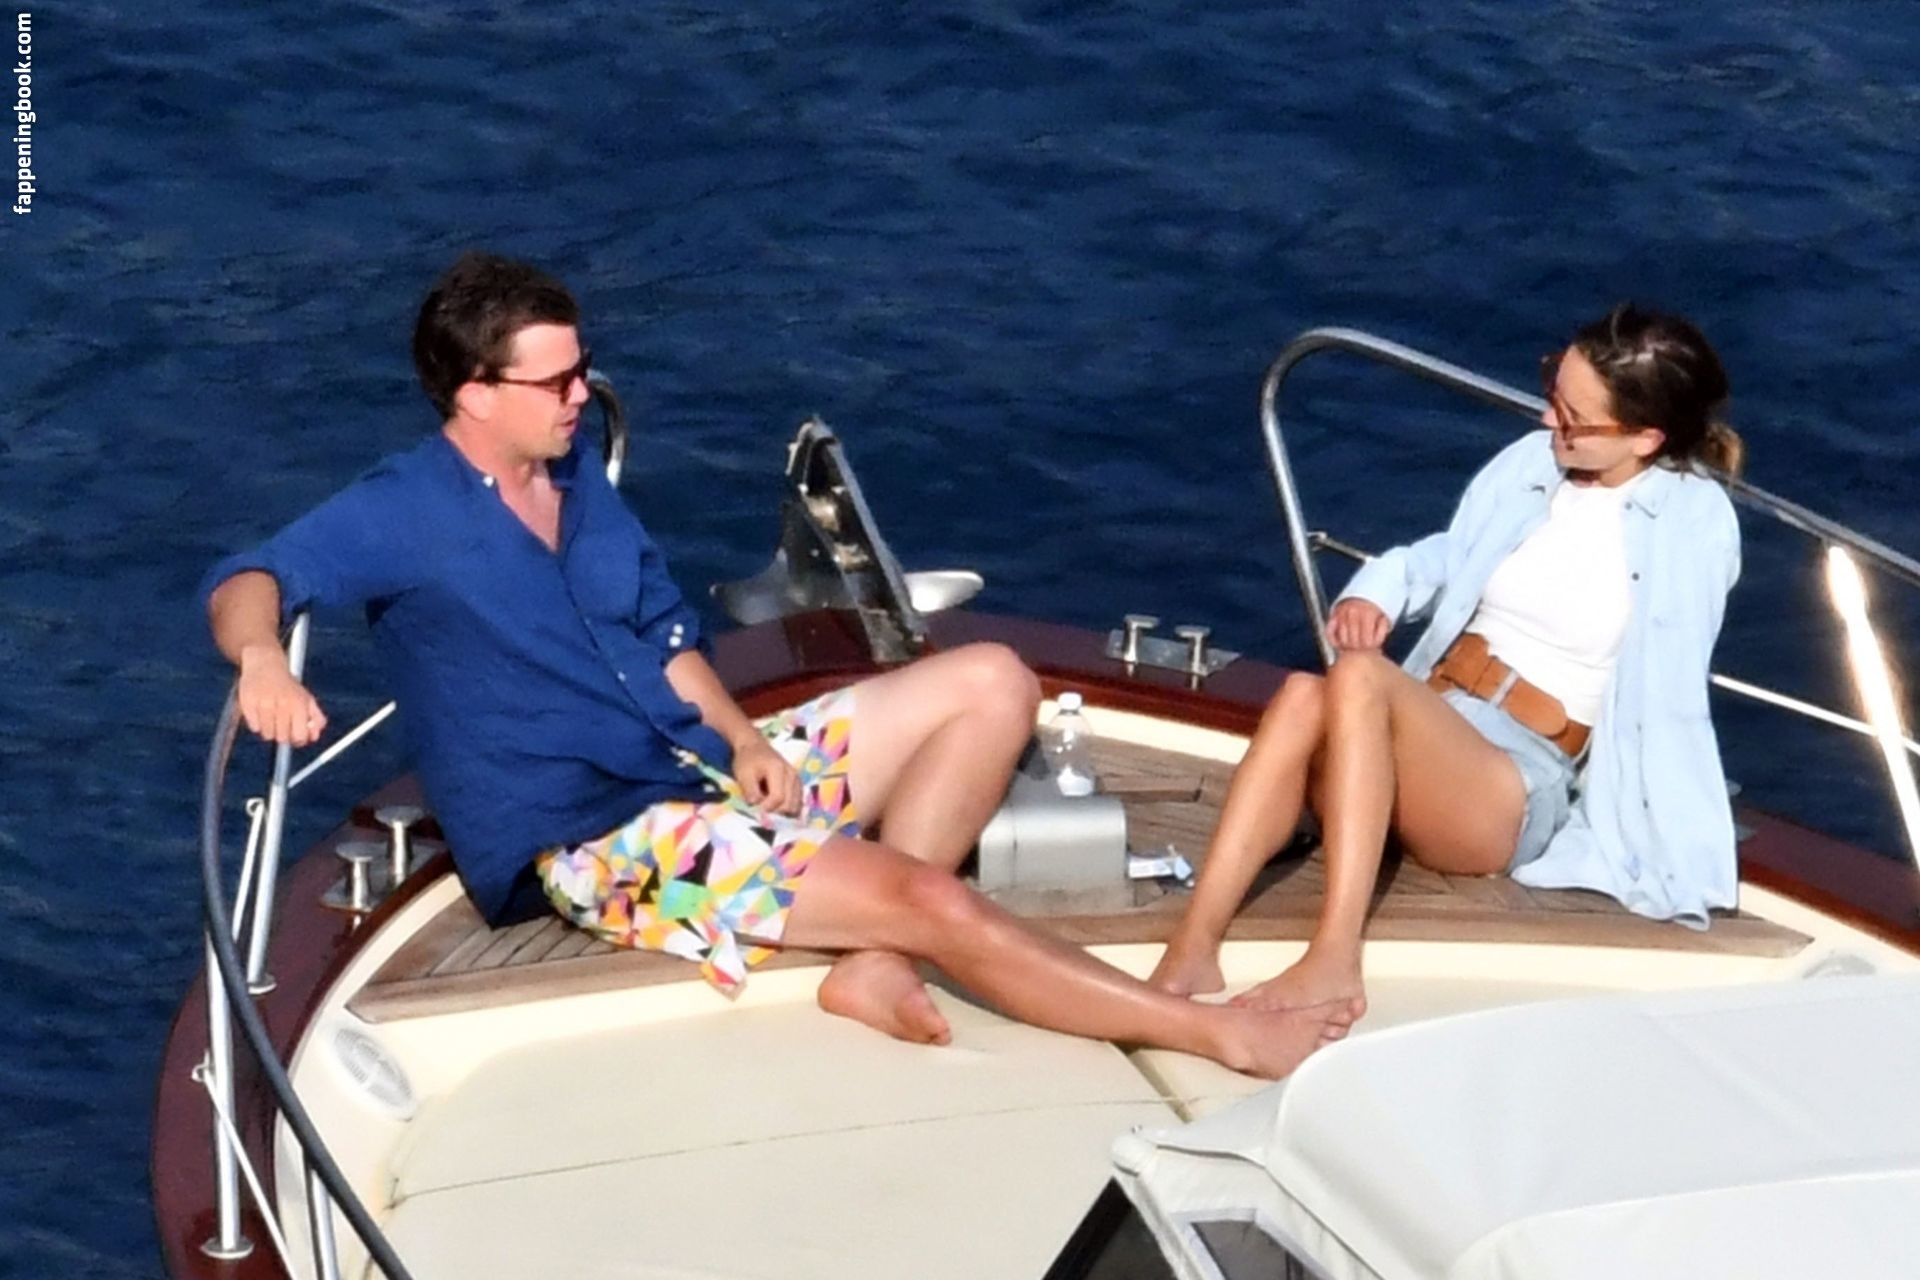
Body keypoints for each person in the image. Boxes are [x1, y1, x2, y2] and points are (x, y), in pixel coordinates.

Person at [203, 251, 1343, 1077]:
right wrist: (262, 660)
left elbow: (664, 638)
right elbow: (249, 576)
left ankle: (871, 955)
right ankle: (1209, 1030)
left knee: (993, 678)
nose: (583, 396)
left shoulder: (574, 475)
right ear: (474, 395)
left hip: (695, 763)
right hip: (603, 839)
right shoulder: (401, 512)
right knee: (929, 895)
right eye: (557, 383)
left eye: (584, 371)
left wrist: (748, 739)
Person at [1149, 304, 1745, 1023]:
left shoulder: (1690, 521)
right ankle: (1192, 945)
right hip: (1437, 716)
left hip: (1513, 781)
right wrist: (1378, 589)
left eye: (1573, 417)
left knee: (1358, 677)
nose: (1549, 420)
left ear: (1646, 438)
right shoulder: (1534, 463)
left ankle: (1334, 959)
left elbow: (1671, 691)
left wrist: (1674, 828)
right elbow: (1453, 556)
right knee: (1305, 692)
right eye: (1552, 392)